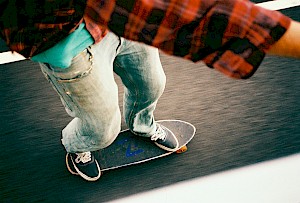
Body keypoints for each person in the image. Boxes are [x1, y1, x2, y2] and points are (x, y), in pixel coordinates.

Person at [1, 0, 299, 181]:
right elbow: (187, 17)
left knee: (152, 85)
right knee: (103, 129)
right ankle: (78, 147)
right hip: (73, 46)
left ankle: (142, 125)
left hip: (121, 25)